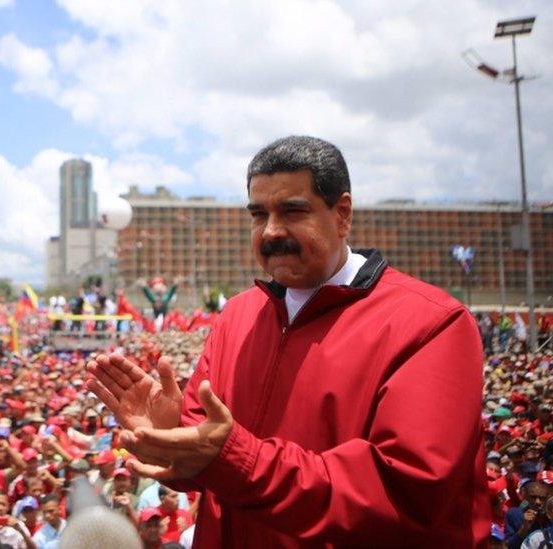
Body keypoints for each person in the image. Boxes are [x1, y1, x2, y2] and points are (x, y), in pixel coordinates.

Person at [87, 135, 489, 546]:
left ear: (342, 215)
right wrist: (173, 434)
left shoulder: (431, 324)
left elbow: (406, 493)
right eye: (259, 214)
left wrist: (238, 461)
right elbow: (213, 457)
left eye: (292, 211)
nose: (272, 231)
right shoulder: (238, 316)